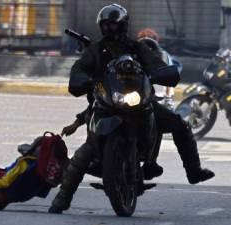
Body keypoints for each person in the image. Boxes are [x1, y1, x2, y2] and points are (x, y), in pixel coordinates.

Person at [48, 4, 215, 214]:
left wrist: (161, 73)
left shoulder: (137, 48)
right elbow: (80, 69)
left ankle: (194, 171)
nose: (110, 29)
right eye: (106, 25)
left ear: (123, 25)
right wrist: (82, 80)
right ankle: (62, 200)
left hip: (139, 101)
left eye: (114, 25)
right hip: (106, 105)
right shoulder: (95, 50)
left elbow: (156, 65)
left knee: (179, 124)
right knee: (84, 153)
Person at [137, 28, 183, 110]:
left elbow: (170, 75)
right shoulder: (134, 55)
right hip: (136, 97)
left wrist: (168, 98)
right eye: (144, 43)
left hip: (158, 98)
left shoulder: (163, 56)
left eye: (149, 43)